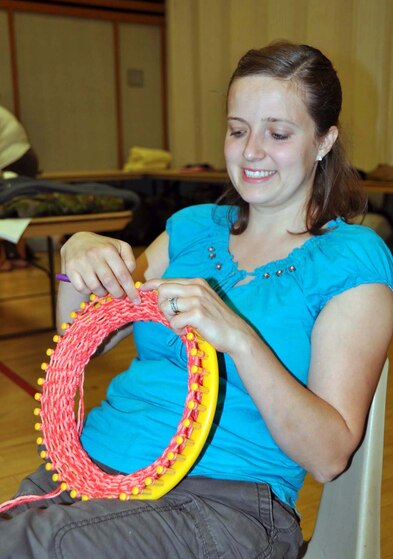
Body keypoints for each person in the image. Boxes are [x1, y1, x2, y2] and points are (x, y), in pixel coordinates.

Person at [1, 41, 392, 558]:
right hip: (88, 468)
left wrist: (239, 338)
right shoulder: (190, 230)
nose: (251, 151)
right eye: (237, 130)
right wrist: (81, 258)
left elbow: (328, 456)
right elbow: (85, 341)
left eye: (277, 133)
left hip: (221, 503)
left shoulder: (351, 258)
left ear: (324, 141)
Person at [0, 105, 39, 271]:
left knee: (13, 209)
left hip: (16, 160)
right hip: (19, 158)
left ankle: (11, 257)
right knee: (14, 210)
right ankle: (16, 255)